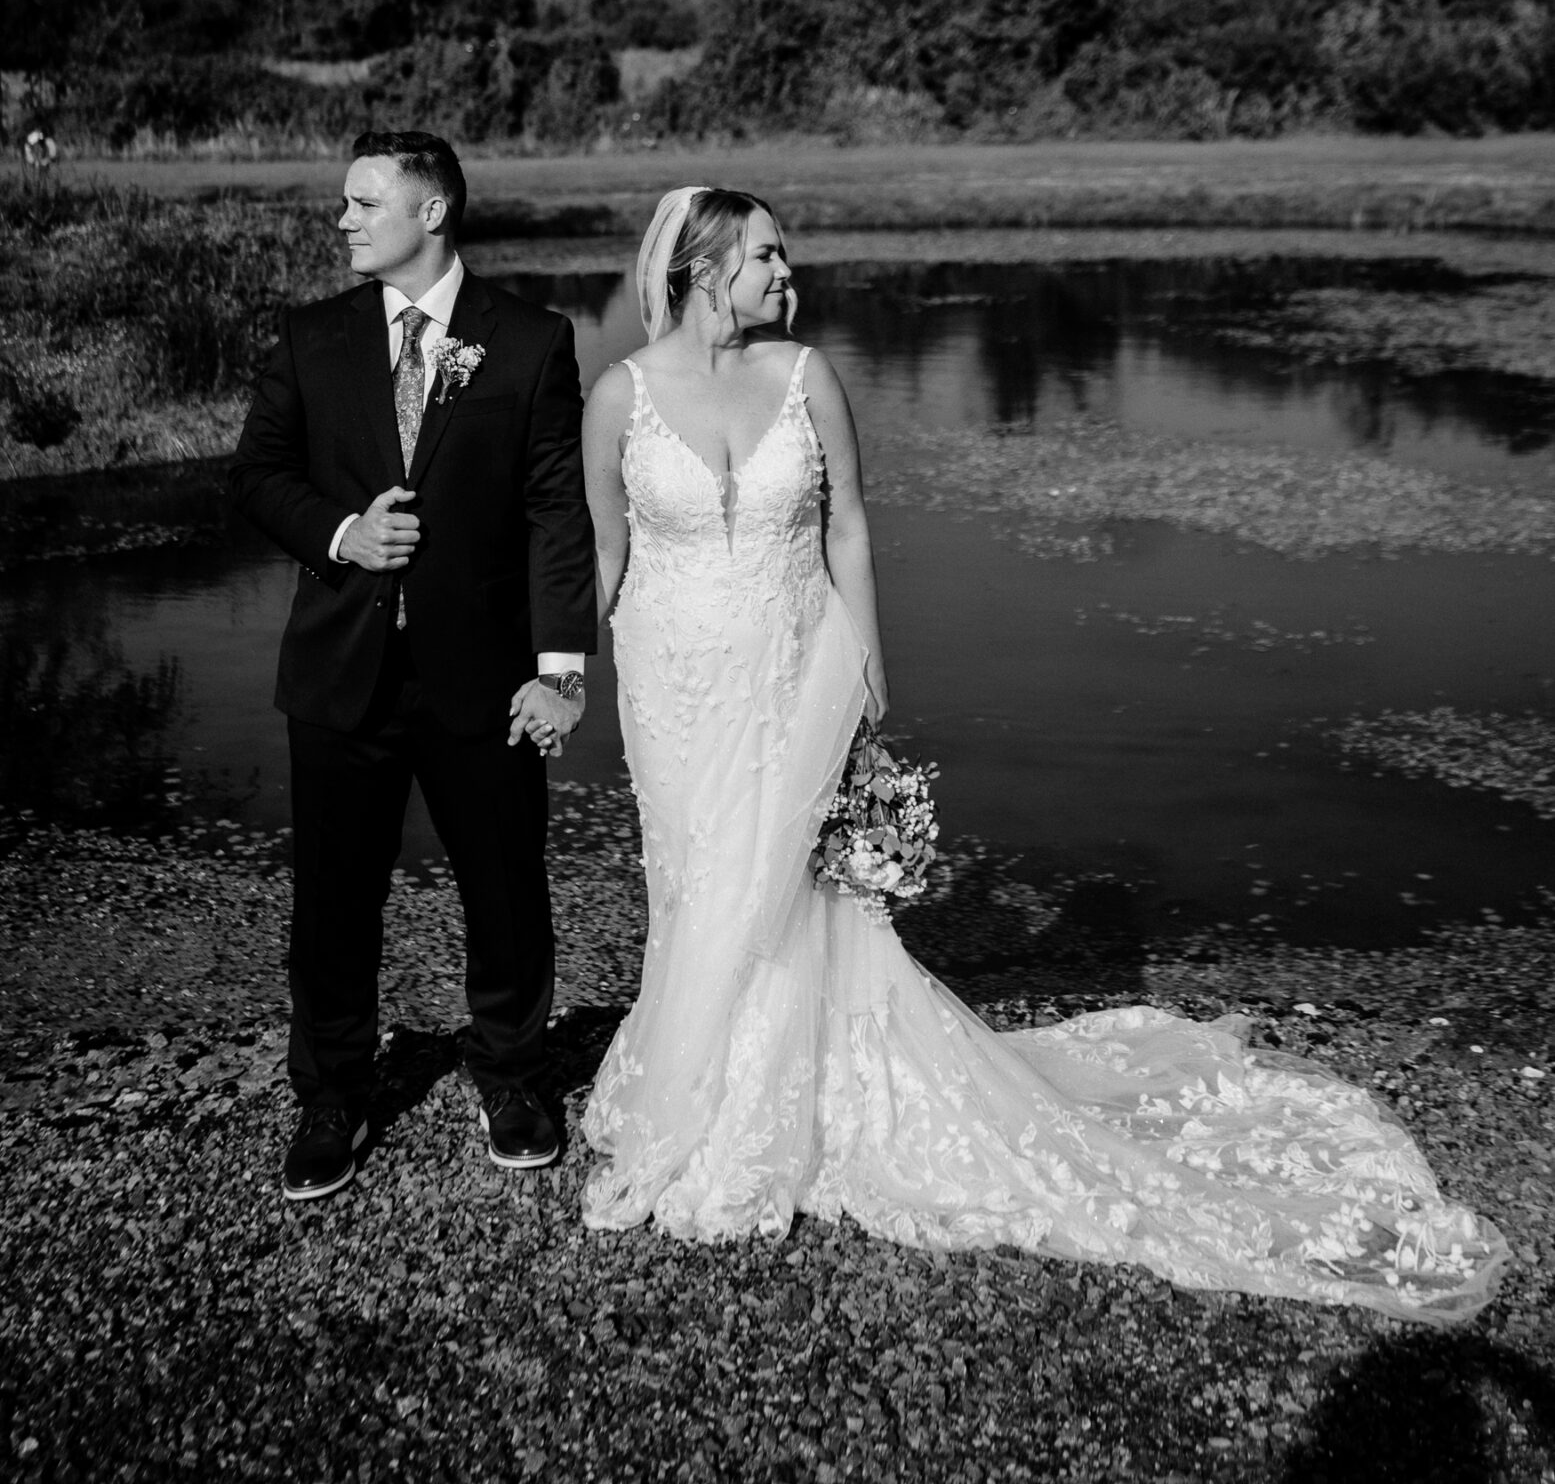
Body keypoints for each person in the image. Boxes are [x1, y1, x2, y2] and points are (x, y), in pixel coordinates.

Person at [578, 185, 1508, 1321]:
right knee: (696, 880)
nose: (791, 274)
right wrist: (562, 677)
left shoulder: (807, 376)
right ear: (705, 265)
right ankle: (693, 1083)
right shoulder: (618, 395)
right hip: (673, 687)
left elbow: (852, 527)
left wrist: (870, 666)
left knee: (780, 888)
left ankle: (760, 1108)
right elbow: (607, 552)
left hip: (793, 673)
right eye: (770, 256)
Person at [231, 130, 596, 1202]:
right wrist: (344, 533)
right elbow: (256, 476)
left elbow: (554, 513)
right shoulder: (312, 338)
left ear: (430, 212)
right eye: (346, 203)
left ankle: (514, 1073)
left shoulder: (528, 342)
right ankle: (334, 1094)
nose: (342, 219)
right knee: (334, 899)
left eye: (362, 202)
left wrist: (561, 665)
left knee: (507, 883)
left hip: (484, 675)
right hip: (341, 671)